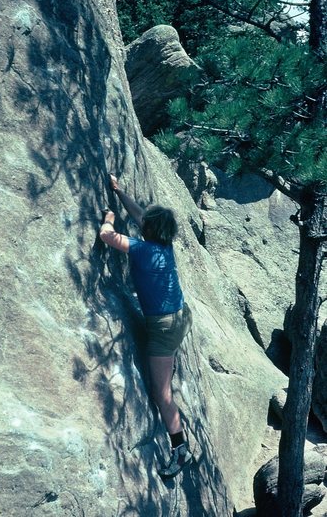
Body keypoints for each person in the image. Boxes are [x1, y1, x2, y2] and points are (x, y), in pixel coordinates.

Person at [99, 174, 192, 479]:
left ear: (149, 230)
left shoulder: (141, 249)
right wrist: (120, 192)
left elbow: (108, 237)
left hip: (164, 328)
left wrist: (109, 219)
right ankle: (168, 365)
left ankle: (180, 449)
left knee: (160, 394)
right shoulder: (163, 246)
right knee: (165, 365)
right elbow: (140, 214)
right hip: (179, 317)